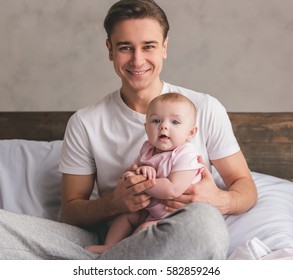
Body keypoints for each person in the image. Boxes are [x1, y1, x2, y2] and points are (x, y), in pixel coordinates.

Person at [0, 0, 257, 260]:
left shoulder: (205, 108)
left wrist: (216, 199)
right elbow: (70, 211)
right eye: (125, 48)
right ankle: (111, 263)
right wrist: (114, 203)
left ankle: (100, 266)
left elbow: (245, 187)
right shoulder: (85, 122)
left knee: (205, 224)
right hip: (108, 236)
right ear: (110, 50)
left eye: (149, 46)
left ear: (164, 47)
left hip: (171, 230)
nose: (137, 60)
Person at [85, 92, 204, 253]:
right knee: (125, 216)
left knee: (145, 230)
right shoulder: (147, 149)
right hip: (150, 210)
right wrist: (131, 176)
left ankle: (127, 256)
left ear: (191, 132)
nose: (164, 126)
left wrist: (140, 181)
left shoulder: (186, 154)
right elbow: (132, 173)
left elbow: (172, 189)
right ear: (146, 128)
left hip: (175, 218)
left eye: (175, 122)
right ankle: (110, 247)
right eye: (156, 121)